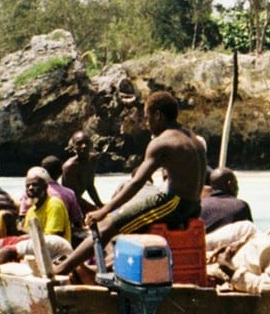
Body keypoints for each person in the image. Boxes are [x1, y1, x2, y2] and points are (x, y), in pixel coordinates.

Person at [54, 91, 207, 276]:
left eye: (147, 117)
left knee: (109, 224)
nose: (146, 123)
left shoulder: (162, 142)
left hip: (174, 204)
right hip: (195, 206)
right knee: (125, 219)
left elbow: (136, 182)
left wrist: (104, 211)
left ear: (157, 115)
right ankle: (109, 266)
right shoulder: (194, 139)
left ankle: (61, 269)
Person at [60, 131, 102, 215]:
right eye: (79, 143)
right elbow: (74, 197)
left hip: (79, 203)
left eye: (87, 142)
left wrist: (100, 205)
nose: (84, 146)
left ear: (91, 144)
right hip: (67, 205)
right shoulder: (70, 167)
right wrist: (95, 209)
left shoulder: (92, 159)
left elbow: (90, 186)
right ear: (73, 147)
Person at [200, 167, 252, 232]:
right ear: (229, 183)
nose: (238, 188)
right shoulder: (241, 205)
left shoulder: (200, 205)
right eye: (236, 183)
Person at [40, 154, 84, 226]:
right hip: (61, 234)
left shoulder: (31, 192)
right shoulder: (69, 193)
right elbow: (77, 220)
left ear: (42, 172)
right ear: (61, 172)